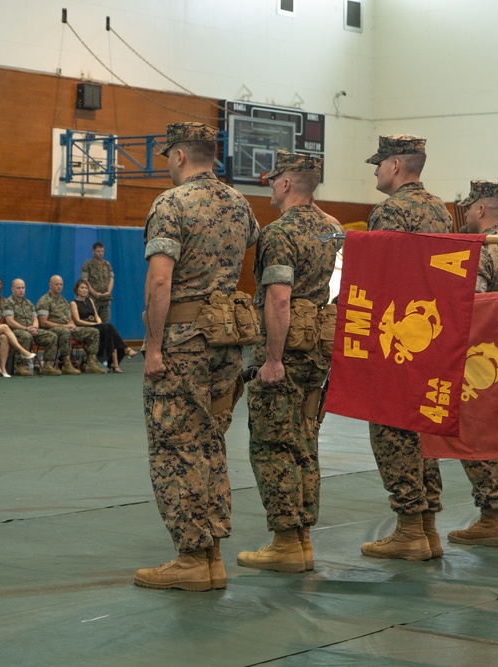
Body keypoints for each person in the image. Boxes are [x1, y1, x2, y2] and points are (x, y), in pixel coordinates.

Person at [135, 122, 259, 591]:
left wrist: (151, 346)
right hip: (225, 341)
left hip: (183, 342)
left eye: (169, 156)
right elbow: (249, 248)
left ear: (181, 156)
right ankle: (212, 556)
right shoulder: (239, 203)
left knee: (174, 446)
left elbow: (160, 281)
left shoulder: (171, 204)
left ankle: (191, 556)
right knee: (209, 442)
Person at [236, 151, 338, 574]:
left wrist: (272, 359)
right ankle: (302, 538)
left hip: (286, 353)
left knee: (274, 444)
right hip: (318, 351)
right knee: (305, 443)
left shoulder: (278, 234)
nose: (271, 185)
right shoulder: (331, 231)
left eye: (274, 178)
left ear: (285, 184)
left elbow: (279, 298)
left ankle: (285, 542)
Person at [361, 135, 453, 561]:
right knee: (422, 427)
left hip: (395, 332)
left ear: (396, 165)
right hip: (433, 331)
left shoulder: (390, 211)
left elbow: (377, 274)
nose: (376, 171)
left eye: (379, 164)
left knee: (391, 427)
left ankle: (410, 529)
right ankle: (428, 526)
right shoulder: (441, 210)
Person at [448, 180, 498, 547]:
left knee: (480, 433)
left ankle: (493, 516)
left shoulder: (484, 250)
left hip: (487, 360)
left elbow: (470, 307)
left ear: (479, 209)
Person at [35, 275, 103, 374]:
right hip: (52, 329)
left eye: (61, 284)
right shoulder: (44, 301)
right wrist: (65, 327)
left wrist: (71, 325)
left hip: (67, 328)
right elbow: (43, 322)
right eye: (56, 284)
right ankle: (66, 364)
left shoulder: (63, 301)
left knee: (94, 332)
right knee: (64, 332)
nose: (59, 287)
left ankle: (90, 363)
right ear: (50, 285)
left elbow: (70, 318)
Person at [69, 278, 135, 373]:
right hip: (83, 327)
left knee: (109, 329)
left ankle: (114, 363)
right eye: (82, 288)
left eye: (86, 288)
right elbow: (77, 321)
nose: (84, 290)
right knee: (109, 328)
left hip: (95, 325)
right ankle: (123, 352)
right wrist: (94, 324)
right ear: (77, 290)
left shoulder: (90, 300)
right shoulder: (73, 303)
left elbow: (96, 316)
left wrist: (99, 323)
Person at [3, 278, 61, 377]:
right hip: (16, 331)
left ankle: (48, 366)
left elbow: (35, 318)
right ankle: (20, 366)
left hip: (31, 330)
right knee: (26, 336)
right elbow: (10, 321)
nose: (21, 290)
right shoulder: (8, 302)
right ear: (13, 289)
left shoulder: (28, 303)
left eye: (23, 288)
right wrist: (26, 329)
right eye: (18, 288)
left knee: (51, 336)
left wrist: (34, 327)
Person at [81, 242, 114, 323]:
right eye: (98, 251)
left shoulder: (107, 264)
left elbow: (111, 278)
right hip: (93, 299)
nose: (100, 253)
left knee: (105, 322)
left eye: (102, 251)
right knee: (93, 321)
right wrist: (94, 293)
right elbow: (85, 280)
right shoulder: (87, 265)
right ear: (93, 251)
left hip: (105, 299)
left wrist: (108, 292)